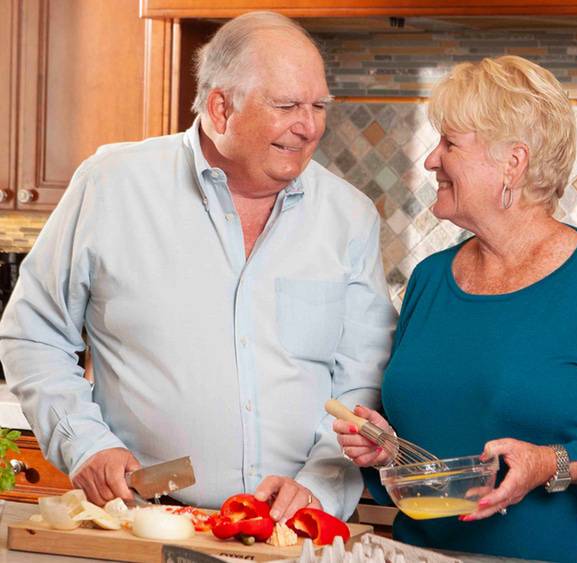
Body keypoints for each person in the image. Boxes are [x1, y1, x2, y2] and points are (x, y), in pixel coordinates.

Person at [0, 12, 395, 522]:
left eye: (319, 106)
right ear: (220, 107)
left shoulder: (349, 215)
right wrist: (86, 444)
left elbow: (362, 381)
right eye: (287, 106)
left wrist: (318, 486)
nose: (309, 125)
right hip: (147, 520)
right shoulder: (113, 185)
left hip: (300, 532)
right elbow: (34, 336)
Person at [334, 55, 577, 562]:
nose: (431, 160)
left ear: (513, 162)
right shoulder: (430, 278)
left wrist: (553, 464)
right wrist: (389, 451)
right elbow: (435, 435)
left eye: (449, 143)